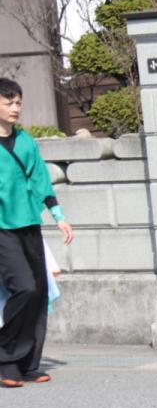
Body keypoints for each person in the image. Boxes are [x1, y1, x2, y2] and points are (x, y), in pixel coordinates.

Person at [0, 78, 72, 388]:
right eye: (9, 102)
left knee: (39, 293)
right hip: (2, 229)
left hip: (28, 223)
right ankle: (5, 358)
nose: (15, 108)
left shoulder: (26, 141)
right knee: (25, 288)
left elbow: (40, 180)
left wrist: (59, 217)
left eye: (18, 102)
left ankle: (27, 364)